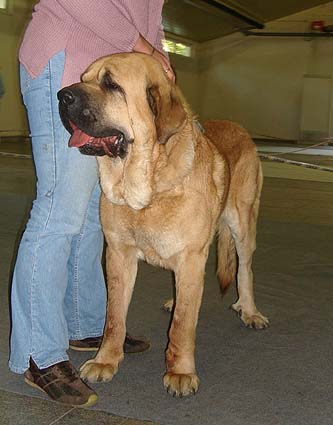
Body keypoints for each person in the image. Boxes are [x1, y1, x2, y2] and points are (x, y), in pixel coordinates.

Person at [9, 0, 175, 407]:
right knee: (59, 211)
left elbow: (149, 18)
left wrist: (161, 61)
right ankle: (38, 353)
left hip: (109, 76)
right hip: (66, 63)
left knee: (89, 215)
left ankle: (83, 322)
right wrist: (146, 50)